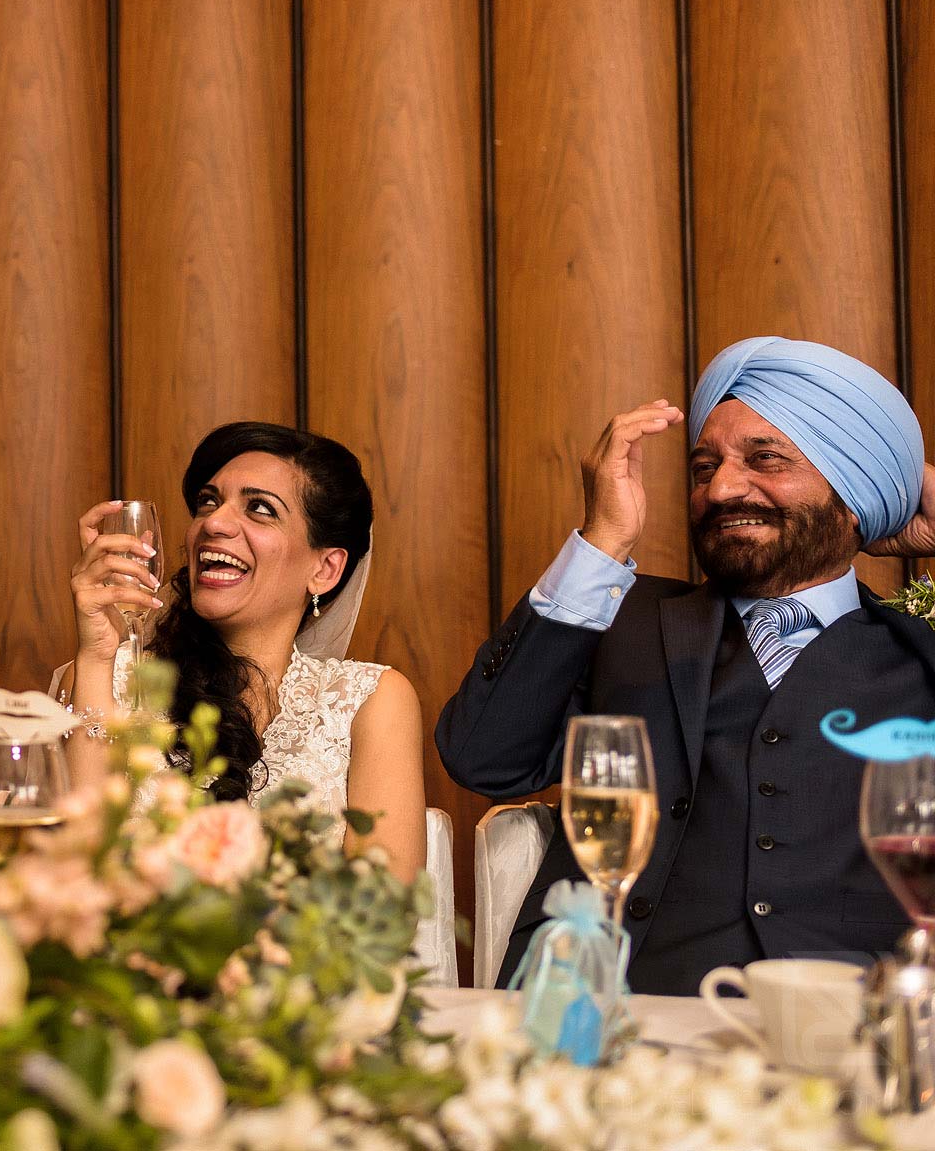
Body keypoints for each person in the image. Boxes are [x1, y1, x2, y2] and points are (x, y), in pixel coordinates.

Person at [437, 337, 935, 995]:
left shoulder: (917, 653)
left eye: (765, 459)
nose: (723, 488)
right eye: (704, 467)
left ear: (852, 490)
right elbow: (482, 755)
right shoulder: (625, 618)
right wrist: (601, 543)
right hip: (624, 1021)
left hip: (847, 1034)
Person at [61, 422, 426, 877]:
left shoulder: (370, 701)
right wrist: (96, 657)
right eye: (208, 502)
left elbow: (383, 911)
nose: (212, 522)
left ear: (326, 570)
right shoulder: (105, 677)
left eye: (260, 509)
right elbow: (75, 869)